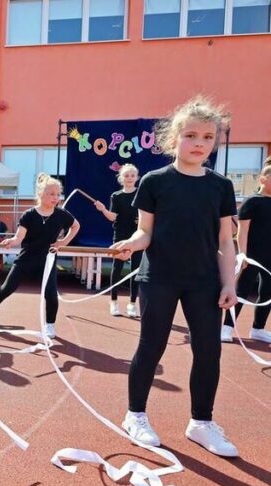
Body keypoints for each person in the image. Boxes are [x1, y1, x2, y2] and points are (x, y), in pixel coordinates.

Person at [111, 96, 239, 457]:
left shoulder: (220, 186)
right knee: (151, 346)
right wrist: (132, 245)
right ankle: (135, 414)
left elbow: (225, 242)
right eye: (191, 135)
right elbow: (145, 232)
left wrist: (229, 283)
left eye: (208, 137)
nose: (199, 143)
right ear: (174, 139)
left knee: (209, 351)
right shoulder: (154, 181)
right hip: (160, 277)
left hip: (205, 281)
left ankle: (201, 422)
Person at [0, 174, 80, 339]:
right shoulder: (29, 215)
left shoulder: (62, 215)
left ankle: (50, 325)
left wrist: (63, 242)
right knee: (6, 288)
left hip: (47, 260)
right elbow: (18, 237)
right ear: (41, 194)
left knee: (50, 293)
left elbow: (76, 226)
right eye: (51, 194)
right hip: (26, 259)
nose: (56, 197)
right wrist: (12, 241)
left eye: (58, 194)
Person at [221, 163, 271, 343]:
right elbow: (243, 231)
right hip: (252, 256)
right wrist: (242, 254)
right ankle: (226, 328)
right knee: (242, 290)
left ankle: (258, 329)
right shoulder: (252, 202)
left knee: (268, 291)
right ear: (263, 179)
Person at [94, 164, 141, 317]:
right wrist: (103, 210)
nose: (129, 178)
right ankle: (114, 302)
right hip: (120, 236)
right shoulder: (116, 196)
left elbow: (147, 215)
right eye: (126, 175)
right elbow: (112, 217)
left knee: (136, 270)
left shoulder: (141, 194)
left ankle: (132, 304)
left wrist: (140, 222)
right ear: (121, 178)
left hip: (138, 237)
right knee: (117, 269)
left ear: (137, 177)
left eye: (132, 175)